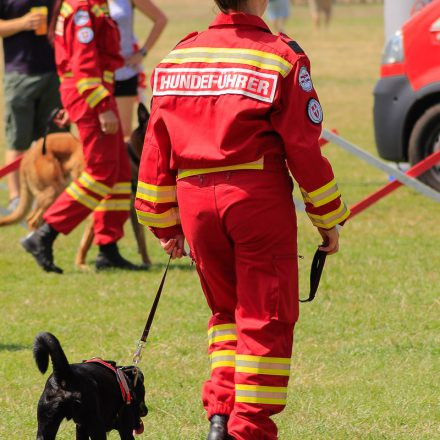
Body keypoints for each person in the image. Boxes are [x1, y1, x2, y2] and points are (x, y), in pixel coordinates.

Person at [135, 0, 349, 438]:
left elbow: (156, 145)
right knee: (264, 315)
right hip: (254, 198)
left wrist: (165, 222)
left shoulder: (178, 56)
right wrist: (327, 216)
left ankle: (220, 414)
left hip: (194, 201)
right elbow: (304, 150)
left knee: (225, 312)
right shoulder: (280, 56)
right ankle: (246, 429)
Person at [21, 0, 138, 273]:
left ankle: (108, 248)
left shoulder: (92, 5)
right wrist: (102, 108)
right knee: (100, 174)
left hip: (95, 95)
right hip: (94, 97)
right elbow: (84, 69)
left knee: (119, 173)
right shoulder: (82, 9)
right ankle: (45, 233)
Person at [0, 0, 63, 212]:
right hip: (19, 75)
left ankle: (50, 194)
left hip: (55, 73)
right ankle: (16, 198)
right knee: (18, 139)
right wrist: (22, 23)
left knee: (53, 140)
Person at [108, 0, 167, 141]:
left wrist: (142, 52)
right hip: (97, 74)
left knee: (123, 132)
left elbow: (160, 19)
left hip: (123, 72)